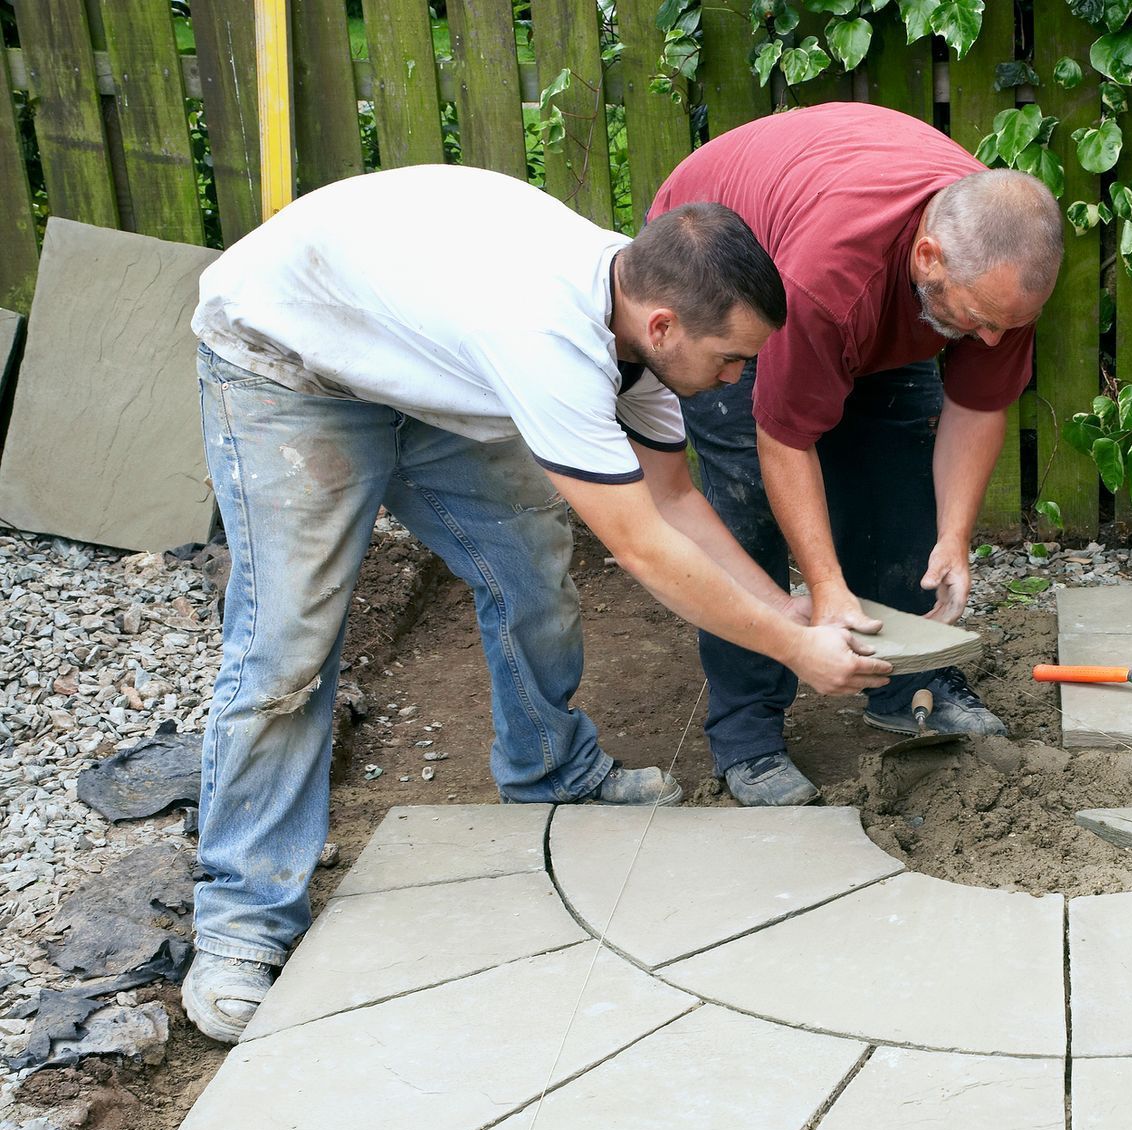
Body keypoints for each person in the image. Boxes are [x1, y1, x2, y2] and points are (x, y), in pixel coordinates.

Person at [182, 164, 891, 1043]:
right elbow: (639, 544)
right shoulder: (547, 339)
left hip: (426, 363)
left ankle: (552, 770)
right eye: (733, 359)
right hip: (291, 365)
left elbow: (674, 502)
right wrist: (796, 656)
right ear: (665, 325)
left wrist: (792, 617)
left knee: (529, 570)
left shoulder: (640, 336)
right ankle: (243, 923)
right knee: (287, 644)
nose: (741, 377)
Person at [650, 102, 1064, 806]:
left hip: (869, 281)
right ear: (928, 256)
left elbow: (978, 405)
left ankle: (905, 686)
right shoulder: (828, 281)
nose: (991, 341)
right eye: (979, 321)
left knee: (895, 471)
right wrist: (826, 585)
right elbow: (785, 440)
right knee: (746, 500)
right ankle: (747, 731)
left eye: (1007, 326)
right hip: (723, 275)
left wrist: (956, 537)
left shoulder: (1000, 272)